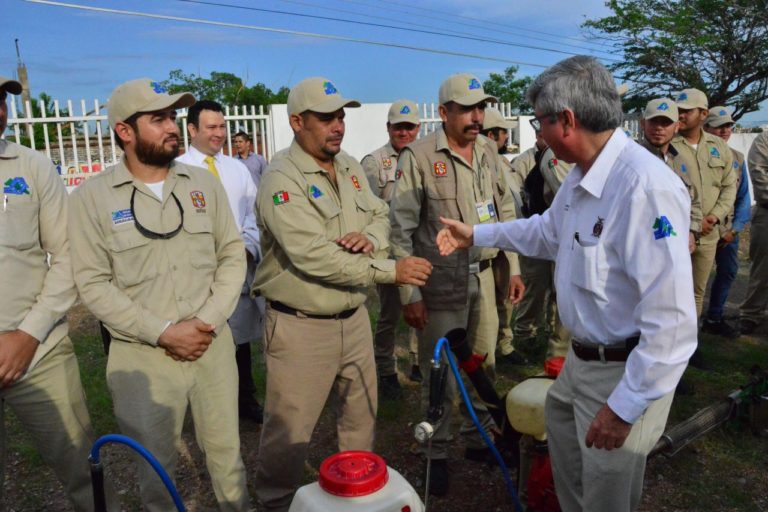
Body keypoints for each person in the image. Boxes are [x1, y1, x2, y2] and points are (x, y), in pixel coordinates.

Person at [436, 56, 697, 512]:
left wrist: (624, 407)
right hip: (582, 362)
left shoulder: (643, 188)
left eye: (540, 121)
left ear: (568, 121)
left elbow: (672, 322)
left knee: (605, 497)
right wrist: (474, 234)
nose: (537, 132)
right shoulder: (582, 175)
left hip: (623, 371)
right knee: (569, 477)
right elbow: (546, 232)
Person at [251, 76, 432, 512]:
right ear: (297, 122)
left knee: (360, 420)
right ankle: (275, 503)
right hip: (301, 326)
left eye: (340, 116)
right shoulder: (281, 178)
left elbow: (380, 214)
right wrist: (391, 270)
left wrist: (369, 238)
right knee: (290, 432)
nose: (338, 125)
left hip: (352, 319)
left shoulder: (349, 166)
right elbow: (312, 255)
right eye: (326, 118)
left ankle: (356, 500)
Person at [69, 78, 249, 511]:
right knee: (155, 474)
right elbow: (93, 283)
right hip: (142, 358)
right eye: (158, 119)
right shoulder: (91, 199)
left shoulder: (202, 185)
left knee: (228, 460)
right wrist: (163, 332)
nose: (172, 127)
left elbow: (231, 254)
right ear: (124, 131)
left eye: (172, 116)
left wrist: (205, 321)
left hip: (210, 344)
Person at [388, 73, 523, 495]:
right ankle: (436, 452)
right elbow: (400, 229)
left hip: (484, 275)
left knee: (483, 364)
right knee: (441, 373)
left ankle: (477, 437)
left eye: (481, 107)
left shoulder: (488, 150)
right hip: (440, 281)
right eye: (466, 109)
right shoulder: (419, 156)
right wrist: (410, 293)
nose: (476, 116)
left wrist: (514, 266)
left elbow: (504, 209)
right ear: (444, 112)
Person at [0, 75, 117, 512]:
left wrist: (28, 334)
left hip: (38, 349)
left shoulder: (31, 166)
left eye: (0, 100)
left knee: (83, 471)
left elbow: (68, 256)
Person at [177, 100, 264, 423]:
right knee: (204, 338)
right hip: (197, 275)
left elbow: (254, 215)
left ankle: (245, 400)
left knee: (238, 339)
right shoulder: (178, 170)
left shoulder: (237, 169)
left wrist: (247, 249)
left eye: (222, 127)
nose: (219, 134)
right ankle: (207, 407)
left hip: (236, 268)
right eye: (211, 127)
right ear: (192, 129)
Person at [362, 99, 423, 397]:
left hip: (420, 247)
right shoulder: (373, 163)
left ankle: (418, 360)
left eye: (409, 127)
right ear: (388, 128)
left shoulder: (424, 157)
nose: (404, 133)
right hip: (390, 251)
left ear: (418, 128)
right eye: (398, 127)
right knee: (390, 313)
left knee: (422, 306)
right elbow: (368, 211)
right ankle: (385, 369)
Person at [672, 89, 736, 317]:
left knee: (697, 293)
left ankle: (692, 337)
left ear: (703, 114)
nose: (681, 115)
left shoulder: (719, 146)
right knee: (671, 291)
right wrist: (691, 224)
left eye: (687, 111)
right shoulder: (669, 145)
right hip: (678, 233)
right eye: (679, 110)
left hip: (709, 234)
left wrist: (714, 217)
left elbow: (729, 186)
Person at [510, 129, 572, 359]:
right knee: (534, 286)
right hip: (537, 230)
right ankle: (526, 334)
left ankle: (555, 337)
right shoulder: (528, 159)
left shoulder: (564, 156)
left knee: (560, 289)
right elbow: (516, 192)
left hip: (559, 233)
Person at [480, 106, 528, 364]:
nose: (507, 137)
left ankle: (504, 345)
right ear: (491, 134)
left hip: (506, 240)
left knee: (506, 297)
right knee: (488, 303)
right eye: (503, 132)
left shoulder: (502, 163)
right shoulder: (482, 165)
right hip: (488, 242)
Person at [700, 107, 751, 338]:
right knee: (693, 279)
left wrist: (735, 229)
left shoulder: (737, 158)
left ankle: (714, 316)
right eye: (719, 126)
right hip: (701, 229)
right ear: (705, 127)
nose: (725, 130)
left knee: (728, 271)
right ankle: (688, 324)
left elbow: (743, 197)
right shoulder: (694, 154)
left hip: (727, 230)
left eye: (729, 125)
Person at [640, 98, 703, 254]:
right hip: (642, 245)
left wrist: (692, 232)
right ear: (643, 123)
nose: (659, 128)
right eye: (653, 121)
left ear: (677, 127)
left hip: (676, 243)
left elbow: (693, 200)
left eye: (666, 123)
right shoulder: (631, 159)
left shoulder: (680, 161)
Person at [739, 130, 768, 334]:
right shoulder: (764, 140)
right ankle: (751, 314)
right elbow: (759, 176)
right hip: (767, 212)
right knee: (763, 270)